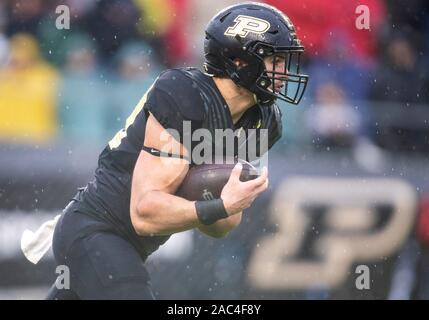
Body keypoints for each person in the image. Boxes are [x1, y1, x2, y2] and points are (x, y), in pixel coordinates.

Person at [45, 2, 308, 299]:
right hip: (95, 230)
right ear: (238, 60)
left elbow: (221, 227)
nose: (285, 72)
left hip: (128, 247)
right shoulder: (185, 94)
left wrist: (228, 203)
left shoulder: (264, 120)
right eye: (275, 60)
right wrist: (219, 206)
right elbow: (143, 212)